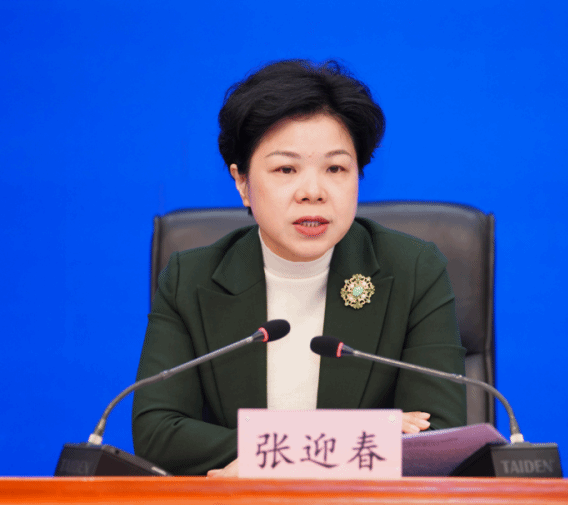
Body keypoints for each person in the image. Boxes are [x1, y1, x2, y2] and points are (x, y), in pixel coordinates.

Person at [132, 59, 466, 477]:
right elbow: (158, 433)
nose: (312, 192)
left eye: (336, 168)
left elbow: (437, 435)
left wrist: (269, 457)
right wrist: (341, 439)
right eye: (286, 169)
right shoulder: (191, 279)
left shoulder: (413, 270)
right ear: (242, 182)